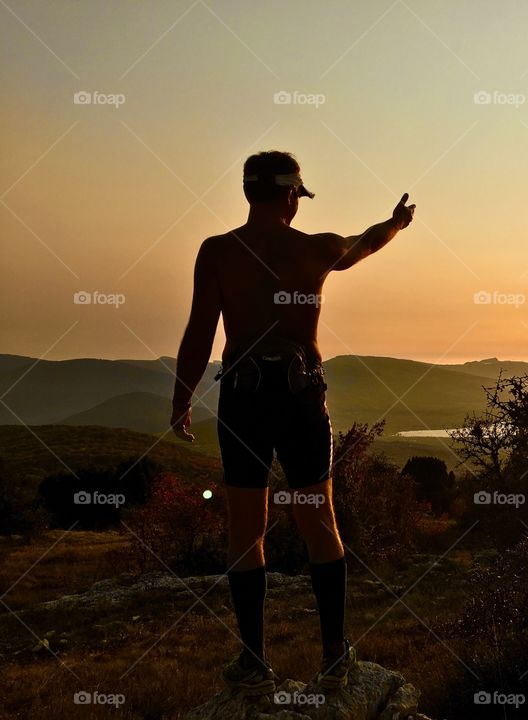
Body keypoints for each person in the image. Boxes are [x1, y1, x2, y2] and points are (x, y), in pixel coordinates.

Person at [169, 150, 415, 699]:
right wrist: (396, 225)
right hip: (302, 400)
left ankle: (254, 662)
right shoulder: (315, 249)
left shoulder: (218, 253)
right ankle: (334, 658)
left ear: (249, 193)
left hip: (243, 399)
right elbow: (365, 242)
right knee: (318, 522)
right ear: (288, 196)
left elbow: (198, 333)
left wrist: (181, 400)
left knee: (244, 529)